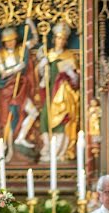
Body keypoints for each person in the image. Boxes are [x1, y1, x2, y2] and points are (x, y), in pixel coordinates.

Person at [38, 21, 80, 162]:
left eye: (63, 39)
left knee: (62, 121)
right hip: (50, 92)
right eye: (58, 38)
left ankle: (59, 151)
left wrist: (71, 74)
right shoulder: (48, 55)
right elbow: (41, 78)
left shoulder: (69, 56)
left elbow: (76, 80)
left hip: (64, 93)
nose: (60, 41)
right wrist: (42, 66)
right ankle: (47, 147)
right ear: (54, 39)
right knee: (45, 118)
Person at [0, 20, 39, 153]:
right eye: (7, 41)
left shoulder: (22, 49)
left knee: (33, 112)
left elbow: (35, 40)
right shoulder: (0, 54)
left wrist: (30, 24)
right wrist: (16, 68)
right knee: (9, 117)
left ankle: (20, 137)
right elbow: (3, 74)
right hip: (7, 90)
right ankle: (7, 144)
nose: (10, 43)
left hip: (21, 89)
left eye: (12, 40)